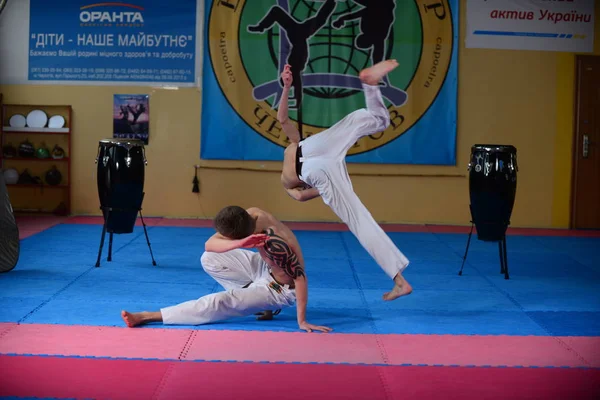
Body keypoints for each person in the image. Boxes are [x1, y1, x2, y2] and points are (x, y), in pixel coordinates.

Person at [277, 60, 413, 301]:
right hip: (313, 146)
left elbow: (299, 195)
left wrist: (330, 190)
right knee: (375, 120)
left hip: (314, 168)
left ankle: (399, 280)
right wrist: (285, 87)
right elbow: (283, 121)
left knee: (358, 219)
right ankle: (370, 86)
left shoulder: (287, 180)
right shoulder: (292, 145)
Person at [121, 205, 332, 333]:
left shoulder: (278, 244)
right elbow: (209, 245)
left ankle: (148, 316)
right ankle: (256, 302)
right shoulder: (251, 215)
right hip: (263, 268)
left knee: (219, 302)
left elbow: (300, 278)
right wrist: (239, 244)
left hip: (279, 289)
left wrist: (302, 320)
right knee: (210, 258)